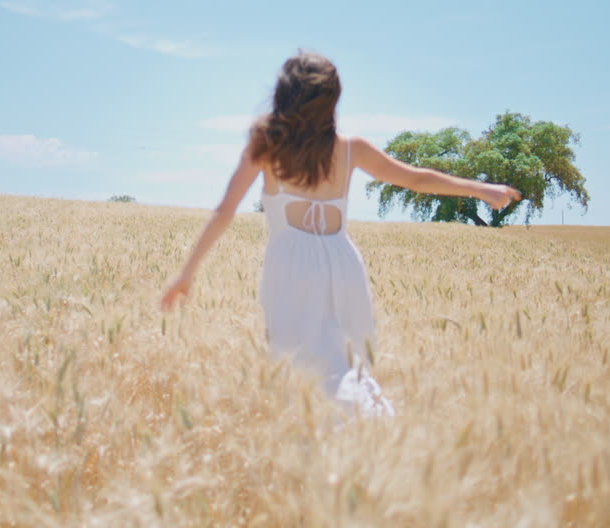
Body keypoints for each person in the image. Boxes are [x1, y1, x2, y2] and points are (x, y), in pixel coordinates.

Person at [160, 52, 521, 415]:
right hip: (343, 263)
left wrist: (186, 273)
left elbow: (225, 211)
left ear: (283, 94)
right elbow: (414, 178)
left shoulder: (266, 142)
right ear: (332, 99)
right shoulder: (351, 148)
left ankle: (326, 456)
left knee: (298, 370)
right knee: (350, 367)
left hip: (290, 268)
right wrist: (480, 188)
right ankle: (371, 433)